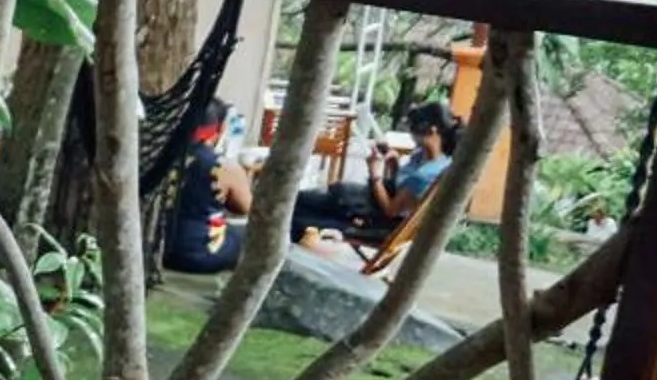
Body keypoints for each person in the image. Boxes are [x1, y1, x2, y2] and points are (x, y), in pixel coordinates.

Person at [291, 100, 458, 242]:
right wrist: (393, 164)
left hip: (376, 222)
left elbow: (392, 210)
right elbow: (404, 191)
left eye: (413, 129)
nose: (411, 134)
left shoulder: (425, 175)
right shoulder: (431, 159)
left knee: (297, 209)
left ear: (433, 130)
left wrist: (375, 175)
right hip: (367, 205)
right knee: (300, 201)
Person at [163, 104, 256, 274]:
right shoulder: (223, 166)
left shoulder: (159, 154)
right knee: (250, 236)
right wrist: (246, 174)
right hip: (199, 254)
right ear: (217, 129)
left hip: (154, 247)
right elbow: (246, 208)